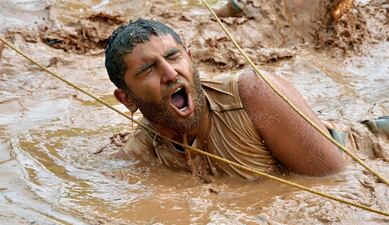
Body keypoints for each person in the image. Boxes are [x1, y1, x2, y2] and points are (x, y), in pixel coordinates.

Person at [105, 19, 346, 180]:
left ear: (190, 58)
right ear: (127, 99)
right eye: (148, 69)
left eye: (174, 56)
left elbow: (336, 181)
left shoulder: (255, 92)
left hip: (349, 145)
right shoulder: (143, 149)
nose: (170, 73)